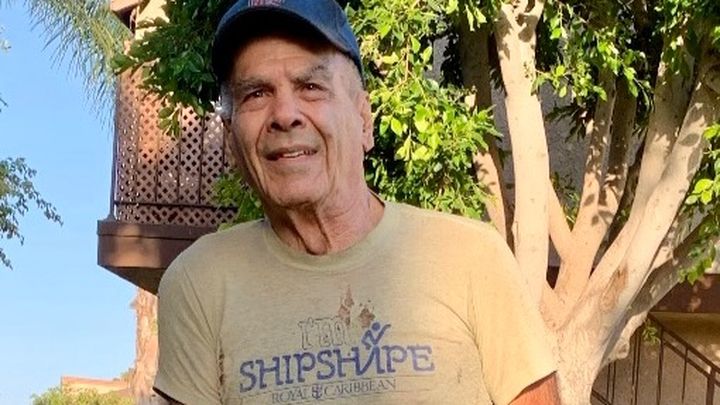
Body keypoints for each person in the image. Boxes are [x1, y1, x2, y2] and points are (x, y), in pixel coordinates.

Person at [154, 0, 560, 404]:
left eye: (311, 87)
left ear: (364, 120)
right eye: (256, 94)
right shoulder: (199, 284)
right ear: (230, 138)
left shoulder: (471, 257)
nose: (285, 114)